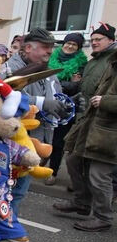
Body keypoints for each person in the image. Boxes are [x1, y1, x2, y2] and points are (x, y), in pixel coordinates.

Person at [0, 28, 65, 242]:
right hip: (16, 135)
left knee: (21, 185)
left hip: (39, 133)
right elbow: (8, 94)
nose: (49, 52)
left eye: (51, 47)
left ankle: (7, 220)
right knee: (11, 184)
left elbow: (55, 94)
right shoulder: (11, 67)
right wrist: (45, 103)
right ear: (28, 48)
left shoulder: (49, 69)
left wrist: (67, 102)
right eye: (45, 47)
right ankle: (6, 223)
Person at [54, 49, 117, 232]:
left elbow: (106, 98)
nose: (95, 42)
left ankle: (103, 217)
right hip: (93, 124)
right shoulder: (111, 61)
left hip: (110, 132)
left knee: (99, 176)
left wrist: (105, 101)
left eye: (99, 39)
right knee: (73, 159)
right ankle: (82, 202)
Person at [45, 32, 88, 185]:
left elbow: (78, 87)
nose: (69, 46)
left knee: (58, 141)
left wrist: (62, 86)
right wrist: (68, 84)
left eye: (74, 44)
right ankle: (39, 164)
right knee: (44, 135)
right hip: (48, 104)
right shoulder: (51, 58)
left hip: (67, 108)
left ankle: (53, 172)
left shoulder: (82, 63)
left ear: (78, 48)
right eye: (67, 43)